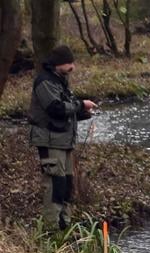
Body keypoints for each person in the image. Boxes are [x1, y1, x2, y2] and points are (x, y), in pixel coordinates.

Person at [28, 45, 95, 232]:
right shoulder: (45, 81)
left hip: (63, 141)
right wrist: (80, 104)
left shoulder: (60, 80)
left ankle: (64, 226)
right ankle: (51, 231)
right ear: (58, 64)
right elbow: (55, 109)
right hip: (49, 141)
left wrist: (82, 112)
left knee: (66, 185)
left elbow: (66, 110)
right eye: (69, 63)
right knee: (54, 186)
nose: (72, 67)